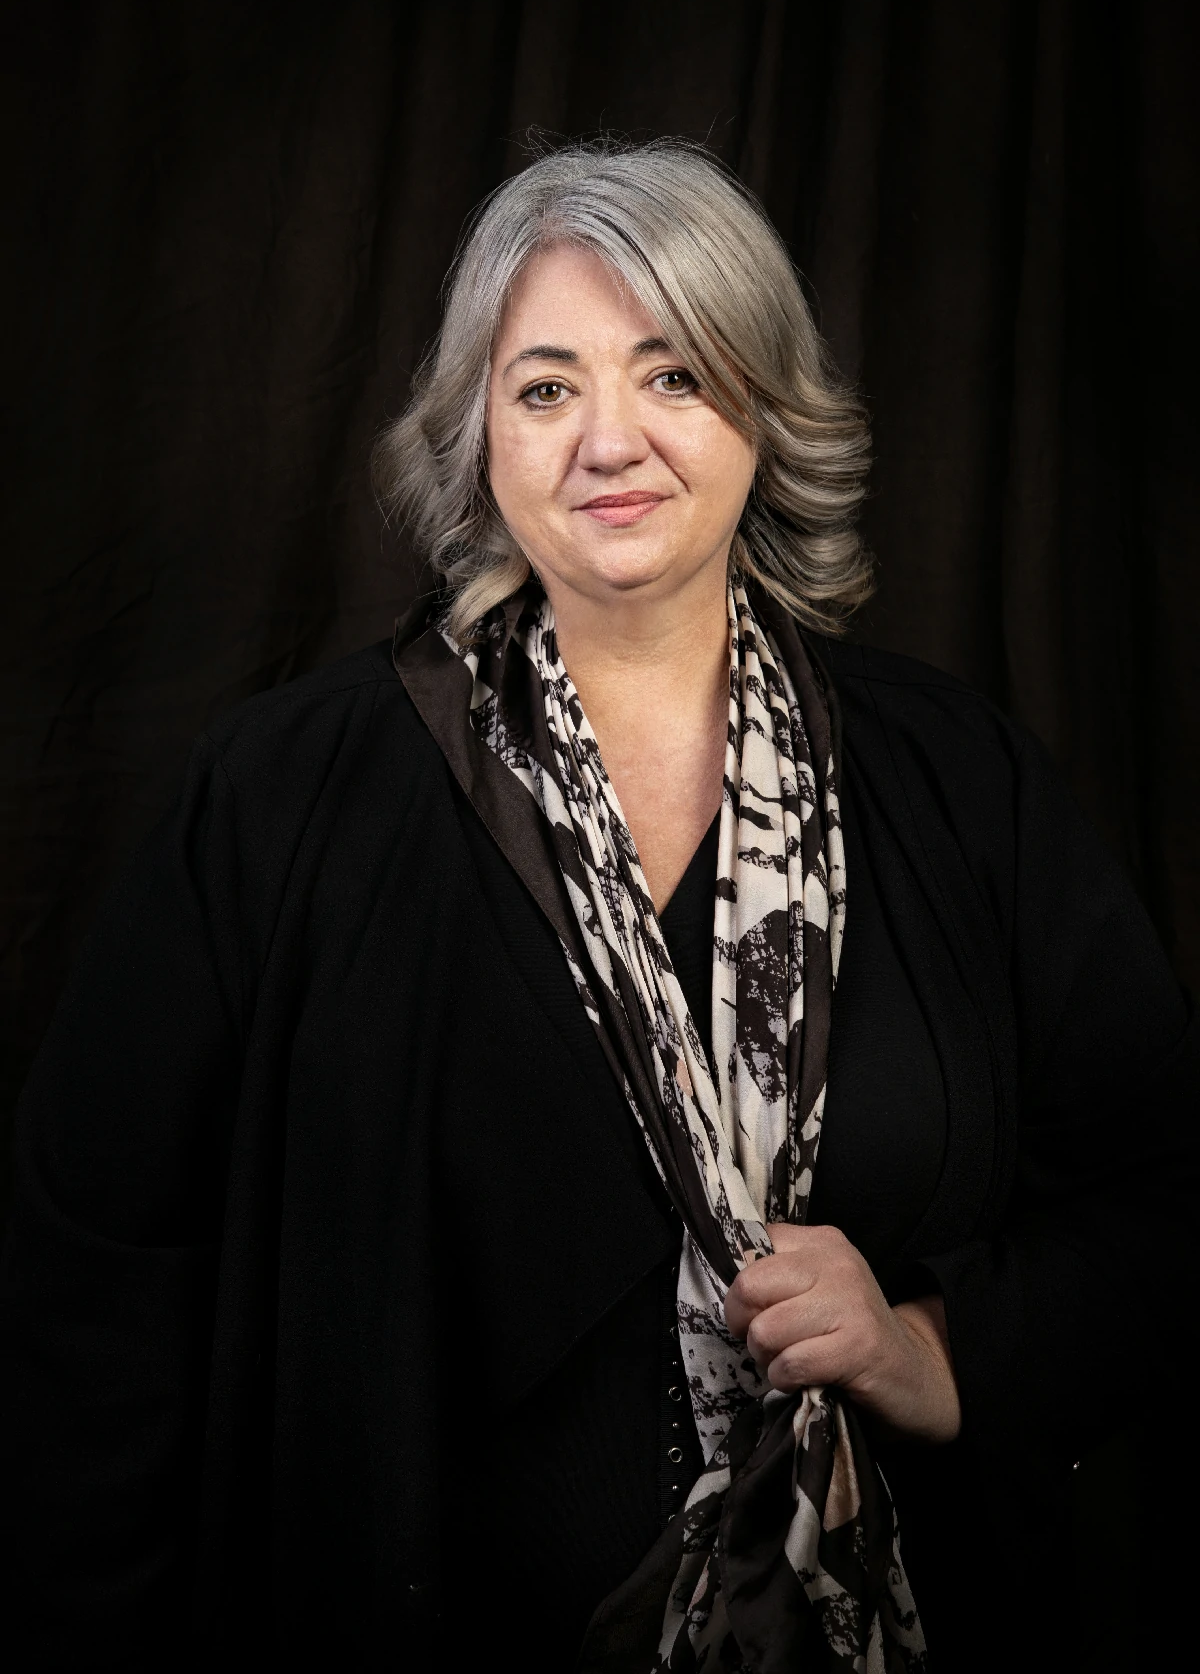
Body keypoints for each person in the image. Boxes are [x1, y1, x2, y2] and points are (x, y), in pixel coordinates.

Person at [1, 141, 1194, 1673]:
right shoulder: (277, 798)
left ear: (764, 411)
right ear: (479, 435)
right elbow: (94, 1295)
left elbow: (1160, 1198)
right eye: (547, 387)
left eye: (674, 375)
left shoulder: (960, 783)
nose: (609, 441)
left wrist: (935, 1345)